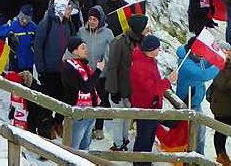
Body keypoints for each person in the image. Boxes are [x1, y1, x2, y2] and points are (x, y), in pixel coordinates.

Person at [105, 13, 148, 151]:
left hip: (133, 89)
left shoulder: (143, 43)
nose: (146, 29)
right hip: (119, 86)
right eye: (144, 27)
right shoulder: (120, 42)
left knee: (128, 117)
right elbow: (112, 67)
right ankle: (117, 143)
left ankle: (124, 140)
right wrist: (113, 90)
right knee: (118, 118)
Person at [130, 34, 175, 152]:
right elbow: (151, 89)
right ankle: (140, 162)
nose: (159, 50)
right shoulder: (141, 66)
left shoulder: (149, 60)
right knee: (144, 140)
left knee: (148, 138)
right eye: (157, 48)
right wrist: (168, 81)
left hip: (152, 106)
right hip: (145, 107)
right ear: (150, 50)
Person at [61, 35, 100, 150]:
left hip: (89, 110)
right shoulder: (69, 67)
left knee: (85, 145)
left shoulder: (84, 64)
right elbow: (85, 87)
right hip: (78, 113)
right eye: (83, 48)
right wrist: (98, 71)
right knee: (74, 147)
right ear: (74, 50)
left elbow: (90, 86)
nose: (86, 50)